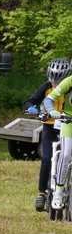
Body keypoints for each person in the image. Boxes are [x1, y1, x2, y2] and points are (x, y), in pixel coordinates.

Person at [27, 59, 68, 212]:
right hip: (49, 128)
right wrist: (32, 108)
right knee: (46, 158)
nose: (55, 84)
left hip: (66, 127)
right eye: (53, 80)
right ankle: (41, 193)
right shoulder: (46, 87)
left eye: (59, 81)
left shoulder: (68, 88)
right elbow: (29, 101)